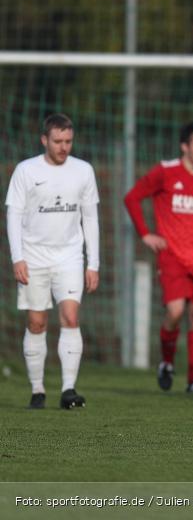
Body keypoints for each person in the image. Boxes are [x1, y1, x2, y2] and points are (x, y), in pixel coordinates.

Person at [124, 123, 193, 393]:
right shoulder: (165, 171)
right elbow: (132, 198)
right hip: (172, 256)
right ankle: (167, 362)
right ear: (184, 146)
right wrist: (145, 234)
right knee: (175, 312)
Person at [6, 113, 99, 409]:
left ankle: (69, 390)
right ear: (44, 140)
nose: (63, 147)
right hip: (33, 257)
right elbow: (13, 215)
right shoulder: (25, 170)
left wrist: (92, 263)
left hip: (70, 256)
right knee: (36, 323)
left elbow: (90, 217)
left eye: (68, 141)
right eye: (57, 141)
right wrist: (17, 257)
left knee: (71, 318)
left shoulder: (84, 171)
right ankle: (37, 390)